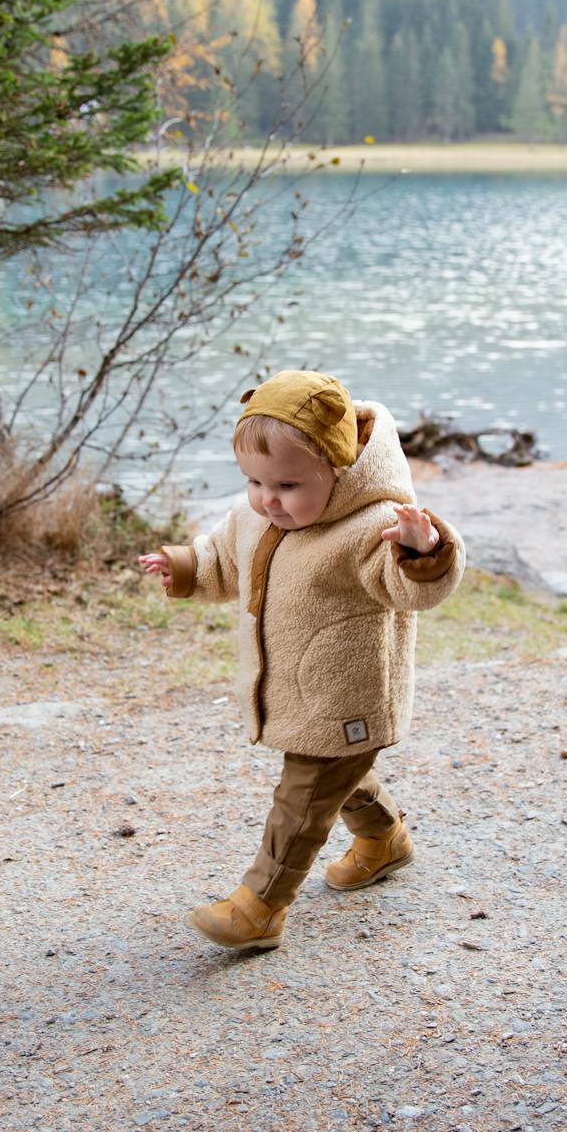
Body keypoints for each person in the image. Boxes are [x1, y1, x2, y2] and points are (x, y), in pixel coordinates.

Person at [140, 370, 463, 950]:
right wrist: (185, 565)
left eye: (287, 484)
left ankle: (259, 907)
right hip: (301, 694)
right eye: (254, 481)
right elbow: (224, 559)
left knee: (303, 799)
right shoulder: (258, 517)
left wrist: (424, 552)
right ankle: (384, 842)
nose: (268, 498)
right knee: (337, 777)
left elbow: (411, 589)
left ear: (338, 474)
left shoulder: (372, 528)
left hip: (349, 696)